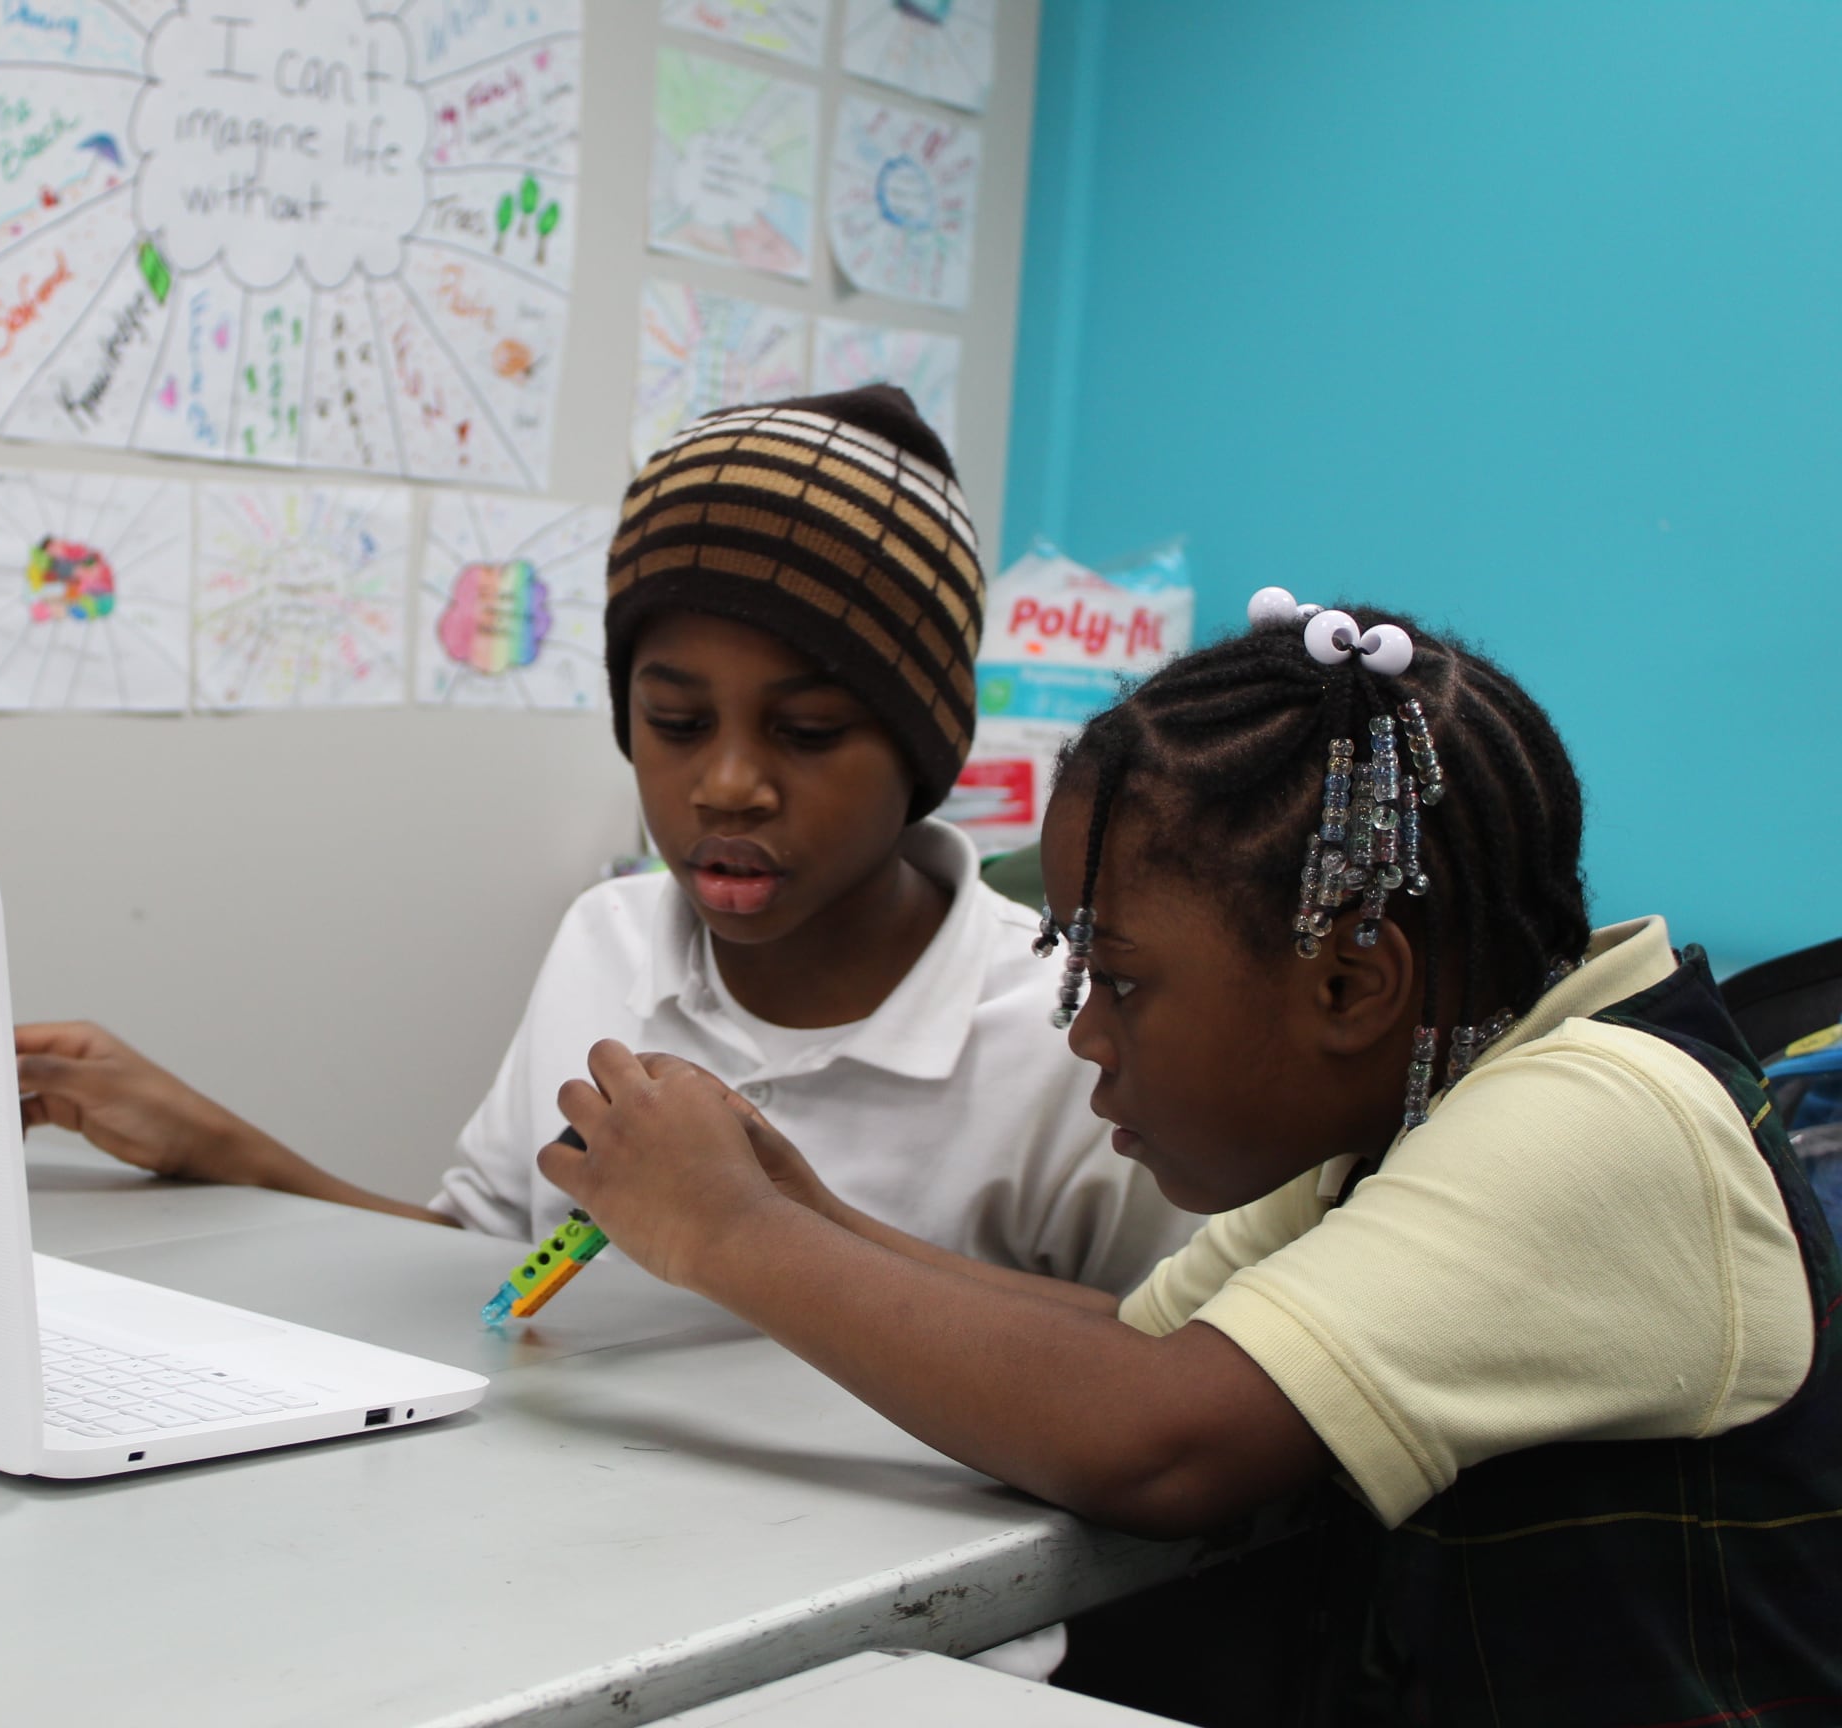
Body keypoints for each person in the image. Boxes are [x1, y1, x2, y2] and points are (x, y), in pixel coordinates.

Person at [538, 592, 1842, 1720]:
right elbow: (1140, 1345)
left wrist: (727, 1233)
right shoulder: (1428, 1107)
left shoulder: (1601, 1117)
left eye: (1118, 981)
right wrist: (797, 1206)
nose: (1088, 1038)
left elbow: (1154, 1442)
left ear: (1347, 985)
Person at [16, 388, 1194, 1296]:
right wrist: (215, 1146)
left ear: (927, 746)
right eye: (676, 723)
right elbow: (485, 1268)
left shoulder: (1068, 1032)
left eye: (810, 730)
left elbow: (1155, 1383)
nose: (727, 785)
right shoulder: (607, 940)